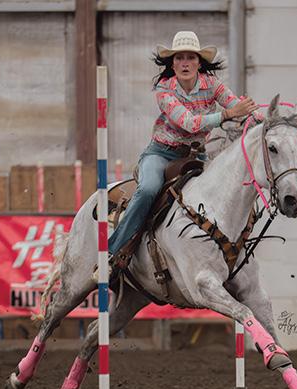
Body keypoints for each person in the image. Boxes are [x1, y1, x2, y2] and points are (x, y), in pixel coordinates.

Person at [107, 31, 259, 263]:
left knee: (226, 189)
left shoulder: (212, 85)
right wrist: (228, 114)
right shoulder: (164, 90)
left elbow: (242, 109)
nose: (185, 63)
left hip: (196, 156)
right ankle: (114, 250)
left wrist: (276, 126)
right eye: (179, 58)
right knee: (148, 189)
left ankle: (226, 251)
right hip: (161, 154)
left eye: (190, 57)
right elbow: (190, 123)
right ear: (172, 63)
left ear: (199, 63)